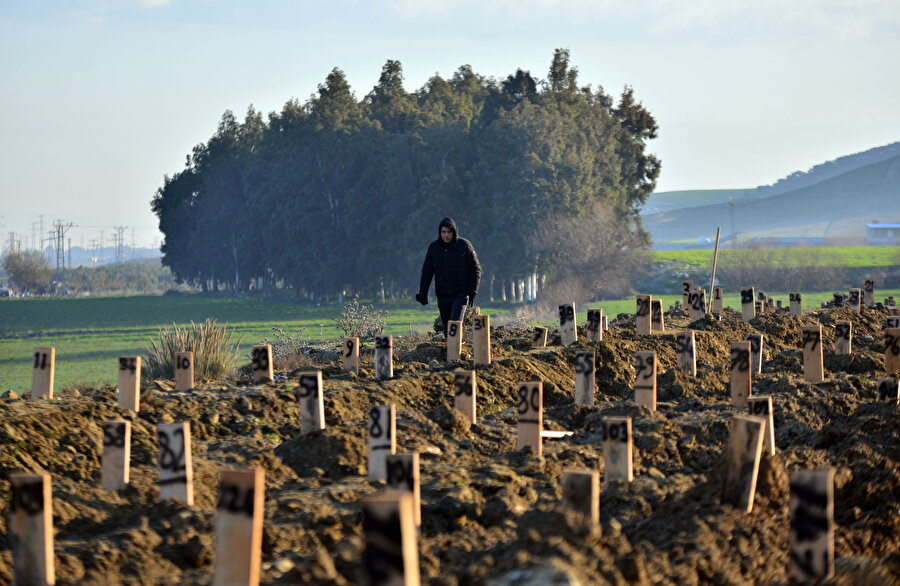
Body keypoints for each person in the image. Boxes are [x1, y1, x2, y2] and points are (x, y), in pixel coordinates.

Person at [416, 217, 482, 336]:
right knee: (447, 331)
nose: (446, 235)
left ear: (454, 232)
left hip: (460, 294)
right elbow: (427, 272)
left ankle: (456, 353)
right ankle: (451, 352)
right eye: (443, 232)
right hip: (442, 295)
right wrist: (422, 292)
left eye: (449, 232)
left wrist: (473, 291)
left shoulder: (464, 246)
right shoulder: (434, 248)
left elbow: (476, 269)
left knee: (455, 325)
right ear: (440, 232)